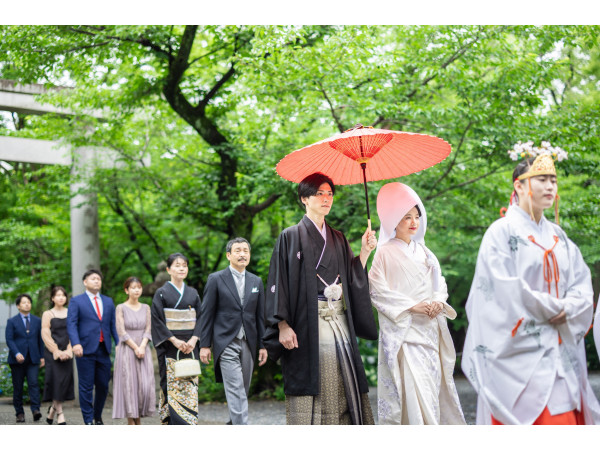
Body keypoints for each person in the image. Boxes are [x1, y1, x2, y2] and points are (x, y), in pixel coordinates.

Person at [462, 150, 600, 425]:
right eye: (541, 179)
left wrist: (569, 308)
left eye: (553, 180)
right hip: (519, 357)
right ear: (519, 185)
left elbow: (582, 287)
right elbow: (504, 291)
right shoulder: (500, 233)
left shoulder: (559, 236)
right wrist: (555, 310)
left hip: (560, 352)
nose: (550, 186)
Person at [263, 172, 378, 425]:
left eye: (330, 194)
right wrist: (282, 325)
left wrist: (365, 252)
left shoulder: (338, 238)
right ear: (304, 198)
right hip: (307, 322)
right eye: (319, 194)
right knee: (315, 377)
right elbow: (277, 281)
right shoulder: (290, 236)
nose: (326, 199)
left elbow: (350, 277)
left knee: (343, 376)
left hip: (338, 320)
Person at [368, 183, 465, 424]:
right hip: (405, 331)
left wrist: (437, 302)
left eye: (417, 217)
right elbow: (377, 289)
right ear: (393, 220)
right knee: (411, 389)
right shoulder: (383, 253)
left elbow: (439, 284)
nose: (414, 222)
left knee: (431, 388)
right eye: (406, 217)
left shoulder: (426, 252)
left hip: (429, 330)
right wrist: (413, 306)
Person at [199, 237, 267, 425]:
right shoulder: (216, 279)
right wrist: (205, 345)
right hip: (225, 341)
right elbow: (207, 314)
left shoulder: (256, 281)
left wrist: (262, 345)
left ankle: (233, 424)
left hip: (249, 341)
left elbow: (260, 316)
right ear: (229, 255)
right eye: (238, 250)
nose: (242, 254)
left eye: (245, 250)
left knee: (242, 389)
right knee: (236, 388)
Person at [151, 253, 202, 425]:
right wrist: (174, 340)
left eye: (184, 265)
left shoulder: (193, 293)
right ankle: (172, 423)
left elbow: (202, 318)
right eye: (177, 265)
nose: (181, 268)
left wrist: (194, 340)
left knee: (190, 383)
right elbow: (157, 320)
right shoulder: (161, 293)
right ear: (168, 269)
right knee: (170, 384)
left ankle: (189, 421)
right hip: (170, 346)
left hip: (190, 345)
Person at [66, 269, 118, 425]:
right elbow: (71, 324)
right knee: (86, 386)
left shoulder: (108, 301)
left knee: (103, 385)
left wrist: (120, 343)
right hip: (84, 349)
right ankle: (88, 420)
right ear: (85, 282)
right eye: (93, 278)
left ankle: (97, 415)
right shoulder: (77, 301)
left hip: (104, 349)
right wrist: (75, 343)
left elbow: (113, 325)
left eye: (99, 279)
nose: (97, 281)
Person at [112, 277, 156, 424]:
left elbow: (148, 329)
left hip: (144, 349)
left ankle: (138, 419)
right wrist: (136, 347)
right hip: (127, 350)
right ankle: (132, 421)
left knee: (145, 385)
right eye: (133, 287)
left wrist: (143, 346)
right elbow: (121, 331)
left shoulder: (146, 308)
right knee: (129, 385)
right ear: (127, 290)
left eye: (139, 287)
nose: (137, 290)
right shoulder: (121, 308)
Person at [5, 294, 45, 423]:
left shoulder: (37, 321)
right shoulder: (11, 321)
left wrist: (42, 356)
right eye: (24, 302)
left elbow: (40, 340)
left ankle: (35, 410)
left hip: (33, 358)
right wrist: (16, 353)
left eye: (29, 302)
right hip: (17, 360)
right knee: (18, 386)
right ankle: (19, 413)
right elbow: (9, 340)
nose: (27, 304)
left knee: (33, 384)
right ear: (18, 306)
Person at [41, 286, 74, 425]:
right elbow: (45, 334)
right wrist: (56, 351)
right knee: (55, 382)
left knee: (63, 383)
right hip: (52, 354)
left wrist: (68, 351)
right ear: (53, 298)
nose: (61, 297)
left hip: (67, 352)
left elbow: (74, 332)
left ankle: (52, 411)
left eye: (63, 295)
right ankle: (60, 414)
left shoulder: (71, 312)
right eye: (58, 295)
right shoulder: (48, 314)